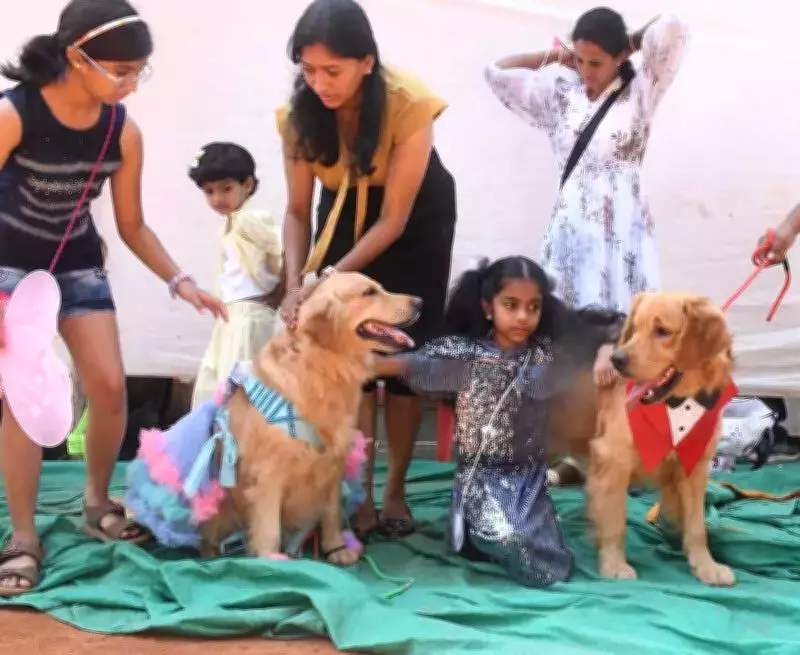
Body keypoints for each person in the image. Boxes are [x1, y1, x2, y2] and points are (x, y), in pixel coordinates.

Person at [0, 0, 226, 595]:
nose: (131, 85)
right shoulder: (14, 113)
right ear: (78, 58)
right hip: (7, 269)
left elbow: (132, 225)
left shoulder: (121, 130)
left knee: (107, 386)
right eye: (122, 71)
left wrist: (181, 281)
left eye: (138, 72)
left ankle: (96, 501)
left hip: (76, 264)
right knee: (24, 398)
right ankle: (22, 536)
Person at [277, 0, 457, 540]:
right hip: (341, 215)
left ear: (366, 63)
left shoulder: (409, 102)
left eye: (332, 71)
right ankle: (358, 493)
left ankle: (395, 490)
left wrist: (329, 278)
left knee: (403, 356)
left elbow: (393, 219)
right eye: (309, 70)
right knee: (349, 356)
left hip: (414, 221)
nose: (320, 84)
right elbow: (295, 212)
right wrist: (297, 285)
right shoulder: (297, 117)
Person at [485, 8, 688, 484]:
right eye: (580, 60)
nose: (586, 71)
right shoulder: (562, 93)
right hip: (572, 235)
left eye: (596, 62)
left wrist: (631, 43)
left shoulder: (642, 90)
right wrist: (553, 56)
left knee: (625, 340)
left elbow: (674, 27)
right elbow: (495, 72)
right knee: (571, 342)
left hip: (625, 237)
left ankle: (624, 451)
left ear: (620, 58)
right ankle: (576, 452)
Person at [374, 256, 621, 586]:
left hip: (528, 477)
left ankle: (518, 530)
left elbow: (610, 328)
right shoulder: (464, 355)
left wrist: (605, 351)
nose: (523, 317)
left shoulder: (546, 355)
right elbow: (406, 365)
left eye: (533, 307)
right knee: (510, 539)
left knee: (543, 564)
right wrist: (363, 363)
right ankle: (477, 534)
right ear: (488, 308)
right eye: (511, 305)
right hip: (480, 476)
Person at [187, 142, 282, 408]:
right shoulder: (231, 224)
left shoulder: (251, 219)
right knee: (214, 387)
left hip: (249, 316)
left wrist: (281, 293)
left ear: (247, 185)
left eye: (226, 188)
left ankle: (236, 435)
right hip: (231, 316)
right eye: (209, 191)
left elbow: (282, 252)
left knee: (238, 393)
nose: (217, 198)